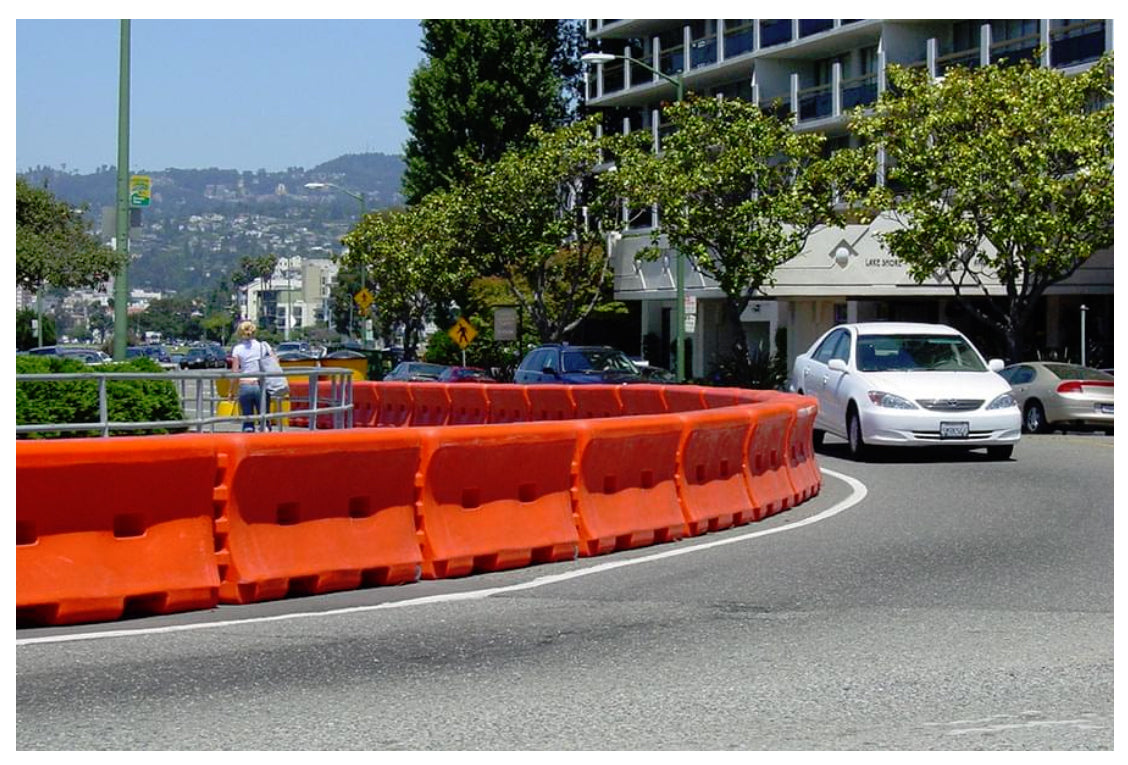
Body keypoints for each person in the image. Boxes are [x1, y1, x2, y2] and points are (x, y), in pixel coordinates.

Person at [230, 320, 270, 432]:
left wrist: (231, 391)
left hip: (245, 385)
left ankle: (249, 439)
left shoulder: (237, 349)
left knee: (247, 419)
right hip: (260, 384)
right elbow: (273, 362)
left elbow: (235, 372)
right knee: (264, 418)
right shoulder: (263, 346)